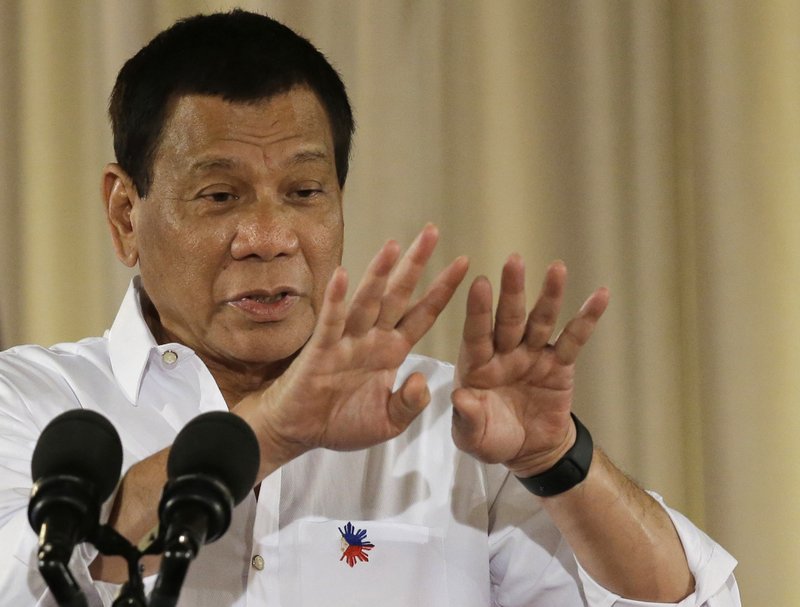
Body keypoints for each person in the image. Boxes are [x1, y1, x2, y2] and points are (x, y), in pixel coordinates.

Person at [0, 10, 739, 607]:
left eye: (304, 192)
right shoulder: (34, 405)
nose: (269, 238)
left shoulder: (452, 424)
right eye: (219, 195)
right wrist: (273, 430)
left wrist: (557, 459)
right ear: (126, 213)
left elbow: (698, 600)